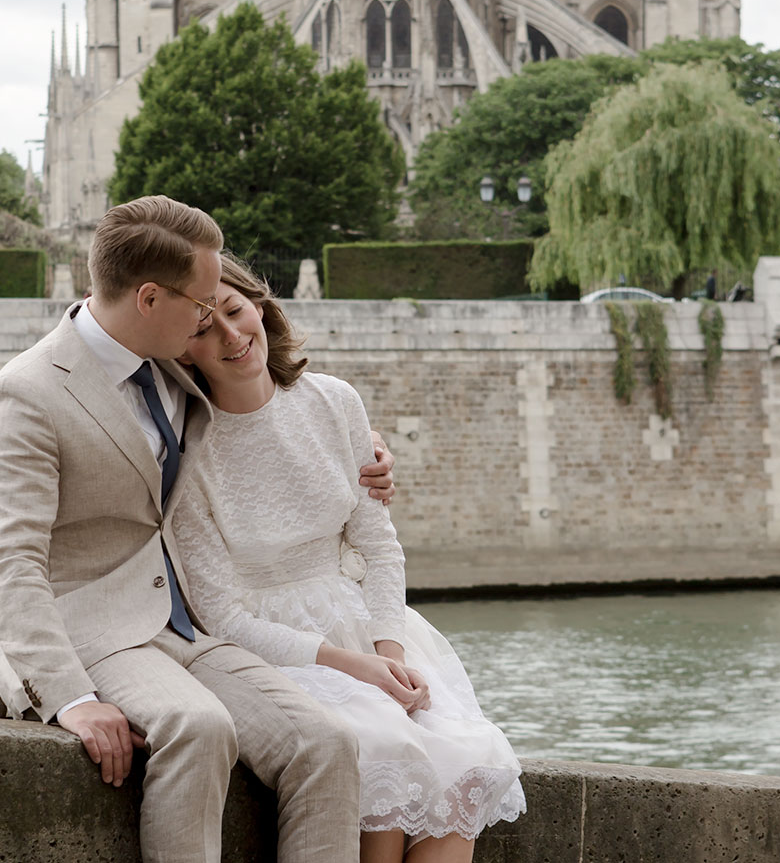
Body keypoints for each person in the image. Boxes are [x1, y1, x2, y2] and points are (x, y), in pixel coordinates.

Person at [0, 195, 393, 863]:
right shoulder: (27, 392)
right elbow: (11, 566)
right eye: (201, 305)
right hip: (88, 631)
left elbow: (264, 417)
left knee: (328, 744)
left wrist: (364, 452)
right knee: (199, 727)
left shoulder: (169, 361)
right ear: (148, 299)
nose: (211, 321)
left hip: (183, 622)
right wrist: (70, 698)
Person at [174, 254, 526, 862]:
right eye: (205, 328)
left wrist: (387, 651)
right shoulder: (186, 450)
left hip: (363, 620)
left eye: (235, 311)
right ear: (183, 351)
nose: (231, 335)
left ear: (259, 306)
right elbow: (223, 619)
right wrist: (356, 668)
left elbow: (380, 546)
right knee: (386, 747)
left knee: (468, 759)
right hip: (277, 648)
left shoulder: (335, 401)